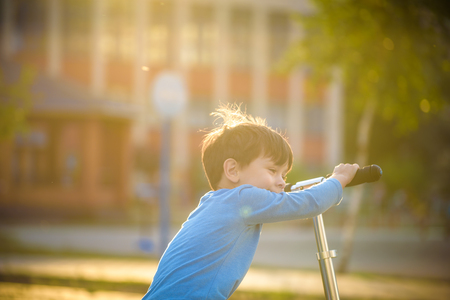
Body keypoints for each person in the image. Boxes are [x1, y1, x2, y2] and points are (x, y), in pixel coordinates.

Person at [142, 104, 358, 300]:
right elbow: (309, 203)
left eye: (284, 175)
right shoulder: (244, 197)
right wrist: (339, 179)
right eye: (273, 171)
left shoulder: (211, 202)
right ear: (233, 170)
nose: (281, 183)